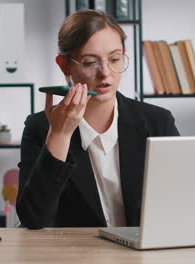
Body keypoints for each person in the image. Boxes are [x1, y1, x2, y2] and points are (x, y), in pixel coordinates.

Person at [16, 9, 180, 229]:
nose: (105, 72)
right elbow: (33, 219)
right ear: (65, 66)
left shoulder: (158, 122)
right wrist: (59, 135)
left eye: (114, 59)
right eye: (89, 62)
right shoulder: (39, 128)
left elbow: (182, 201)